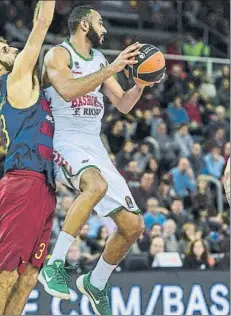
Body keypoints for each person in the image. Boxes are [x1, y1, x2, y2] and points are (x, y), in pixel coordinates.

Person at [39, 5, 162, 314]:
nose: (104, 28)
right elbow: (66, 90)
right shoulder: (58, 55)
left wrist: (139, 85)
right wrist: (112, 68)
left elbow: (122, 104)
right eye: (100, 22)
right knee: (94, 185)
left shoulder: (99, 59)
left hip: (94, 145)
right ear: (83, 25)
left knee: (133, 225)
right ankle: (54, 264)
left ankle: (96, 281)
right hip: (64, 140)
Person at [0, 1, 56, 315]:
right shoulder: (18, 77)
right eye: (6, 49)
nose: (14, 49)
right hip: (23, 182)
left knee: (30, 274)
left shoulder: (29, 81)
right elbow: (43, 22)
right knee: (7, 273)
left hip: (43, 184)